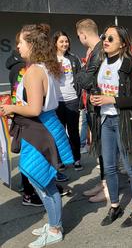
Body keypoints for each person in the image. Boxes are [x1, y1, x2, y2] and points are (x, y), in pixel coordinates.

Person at [0, 24, 74, 248]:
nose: (18, 47)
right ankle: (54, 222)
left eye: (21, 42)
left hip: (39, 130)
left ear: (32, 44)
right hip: (42, 128)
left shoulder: (34, 71)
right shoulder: (42, 67)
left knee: (42, 182)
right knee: (41, 180)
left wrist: (11, 108)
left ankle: (55, 228)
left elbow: (33, 109)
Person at [90, 25, 132, 227]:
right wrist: (95, 99)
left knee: (131, 167)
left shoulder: (130, 66)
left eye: (111, 39)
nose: (105, 40)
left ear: (122, 44)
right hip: (105, 121)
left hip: (124, 121)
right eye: (105, 37)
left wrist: (110, 99)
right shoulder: (99, 63)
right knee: (109, 168)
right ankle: (115, 206)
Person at [5, 33, 43, 207]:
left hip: (20, 115)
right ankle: (29, 192)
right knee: (29, 156)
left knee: (26, 155)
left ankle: (29, 189)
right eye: (18, 43)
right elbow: (26, 100)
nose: (19, 46)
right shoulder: (23, 69)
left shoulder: (20, 68)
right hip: (25, 118)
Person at [75, 19, 108, 203]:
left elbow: (87, 81)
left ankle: (108, 186)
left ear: (83, 34)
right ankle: (103, 182)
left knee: (104, 149)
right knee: (101, 149)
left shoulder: (98, 52)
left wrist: (80, 68)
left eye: (79, 35)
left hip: (99, 107)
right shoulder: (96, 51)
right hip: (94, 107)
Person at [53, 31, 83, 171]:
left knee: (73, 132)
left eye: (66, 41)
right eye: (61, 41)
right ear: (55, 43)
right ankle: (60, 161)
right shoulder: (50, 59)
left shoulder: (73, 58)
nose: (65, 44)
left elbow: (79, 79)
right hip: (56, 102)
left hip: (72, 100)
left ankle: (76, 159)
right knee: (58, 132)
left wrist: (79, 97)